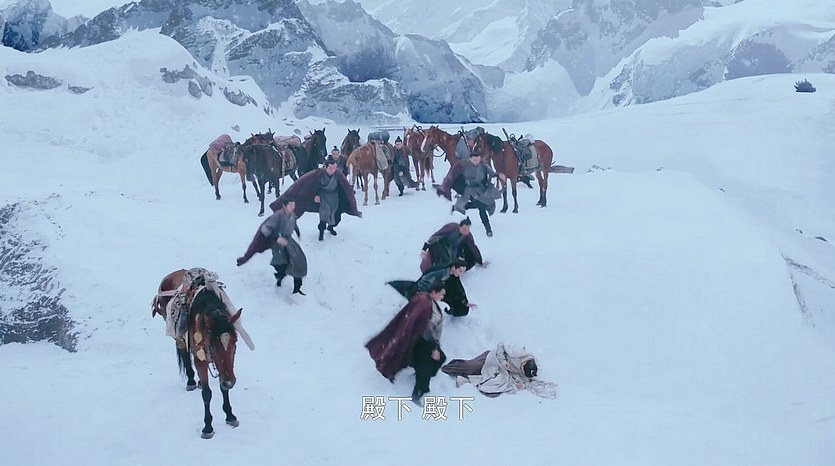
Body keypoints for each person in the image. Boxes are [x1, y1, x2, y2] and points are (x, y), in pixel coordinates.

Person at [365, 281, 448, 406]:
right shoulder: (424, 302)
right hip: (422, 342)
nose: (442, 297)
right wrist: (433, 347)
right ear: (434, 292)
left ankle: (420, 382)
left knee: (435, 361)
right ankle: (417, 393)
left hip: (423, 340)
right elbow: (425, 326)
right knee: (426, 367)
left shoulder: (428, 301)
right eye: (441, 294)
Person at [261, 158, 361, 240]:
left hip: (335, 198)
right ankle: (321, 232)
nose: (333, 170)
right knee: (324, 214)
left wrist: (350, 197)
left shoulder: (338, 174)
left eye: (334, 168)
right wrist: (315, 195)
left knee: (336, 216)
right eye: (330, 168)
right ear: (325, 167)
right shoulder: (317, 174)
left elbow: (345, 187)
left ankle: (331, 227)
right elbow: (302, 184)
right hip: (323, 198)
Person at [236, 197, 308, 295]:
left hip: (288, 240)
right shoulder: (277, 216)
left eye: (294, 205)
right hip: (276, 242)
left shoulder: (292, 214)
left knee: (299, 259)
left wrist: (297, 231)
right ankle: (280, 276)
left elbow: (293, 223)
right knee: (281, 263)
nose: (292, 207)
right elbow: (265, 229)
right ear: (284, 206)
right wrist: (277, 238)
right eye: (290, 205)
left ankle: (297, 287)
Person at [441, 342, 558, 399]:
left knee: (497, 383)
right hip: (493, 358)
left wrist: (522, 385)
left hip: (503, 371)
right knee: (471, 368)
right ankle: (445, 368)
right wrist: (503, 361)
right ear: (524, 363)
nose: (521, 370)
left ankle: (467, 380)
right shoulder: (518, 352)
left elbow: (527, 381)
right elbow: (501, 345)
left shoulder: (531, 372)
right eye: (522, 368)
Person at [436, 151, 506, 237]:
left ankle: (460, 207)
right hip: (469, 191)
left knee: (482, 204)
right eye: (474, 159)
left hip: (481, 190)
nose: (476, 161)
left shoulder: (484, 165)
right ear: (470, 159)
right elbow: (452, 175)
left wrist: (499, 175)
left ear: (480, 158)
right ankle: (488, 229)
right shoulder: (463, 165)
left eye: (478, 159)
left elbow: (492, 173)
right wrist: (447, 184)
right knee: (481, 207)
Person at [387, 257, 476, 317]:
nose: (461, 273)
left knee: (463, 309)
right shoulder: (440, 273)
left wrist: (464, 302)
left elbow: (458, 288)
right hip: (429, 292)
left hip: (441, 290)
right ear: (453, 267)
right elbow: (424, 282)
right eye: (460, 271)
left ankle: (451, 310)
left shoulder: (453, 274)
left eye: (463, 271)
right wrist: (424, 296)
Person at [420, 217, 486, 274]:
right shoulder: (451, 227)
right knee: (440, 261)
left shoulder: (467, 235)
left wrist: (480, 261)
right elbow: (436, 236)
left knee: (452, 262)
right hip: (440, 245)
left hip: (453, 249)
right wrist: (424, 248)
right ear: (459, 226)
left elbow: (473, 247)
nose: (466, 231)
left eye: (468, 229)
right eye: (464, 229)